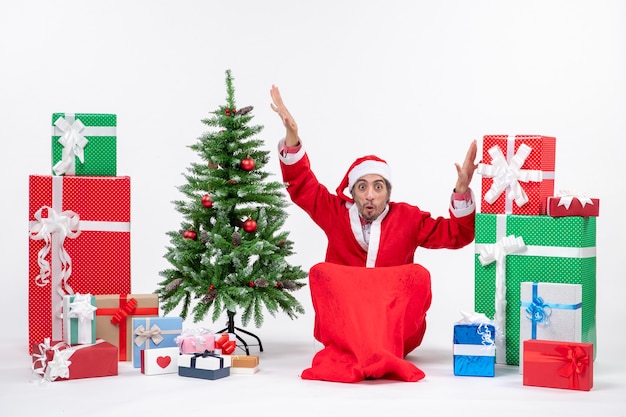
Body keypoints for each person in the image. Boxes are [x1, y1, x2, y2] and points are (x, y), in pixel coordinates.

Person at [269, 84, 479, 381]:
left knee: (418, 275)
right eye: (362, 187)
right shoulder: (335, 213)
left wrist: (461, 190)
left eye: (377, 187)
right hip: (346, 326)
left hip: (394, 329)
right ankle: (359, 348)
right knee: (322, 271)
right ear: (352, 191)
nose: (370, 195)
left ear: (387, 193)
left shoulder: (408, 218)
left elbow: (457, 235)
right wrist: (292, 136)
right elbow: (303, 185)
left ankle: (380, 349)